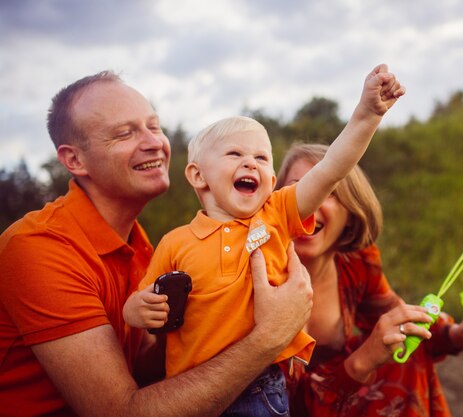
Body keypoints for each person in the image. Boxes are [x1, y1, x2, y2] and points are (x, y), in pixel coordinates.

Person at [0, 70, 314, 417]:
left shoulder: (147, 246)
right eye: (125, 133)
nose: (154, 142)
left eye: (154, 126)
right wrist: (268, 337)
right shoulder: (40, 247)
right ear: (74, 160)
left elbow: (148, 371)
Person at [122, 64, 406, 416]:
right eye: (235, 154)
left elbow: (333, 166)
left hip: (261, 389)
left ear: (272, 180)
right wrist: (135, 309)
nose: (250, 163)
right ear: (197, 175)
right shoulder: (175, 242)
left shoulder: (276, 214)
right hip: (192, 391)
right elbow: (146, 306)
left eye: (261, 158)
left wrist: (367, 115)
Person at [275, 143, 463, 417]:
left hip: (335, 399)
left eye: (329, 190)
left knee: (401, 348)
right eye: (299, 188)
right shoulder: (260, 275)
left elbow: (403, 324)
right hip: (288, 408)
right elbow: (282, 405)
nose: (311, 199)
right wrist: (362, 361)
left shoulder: (356, 264)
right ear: (277, 203)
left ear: (350, 214)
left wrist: (458, 335)